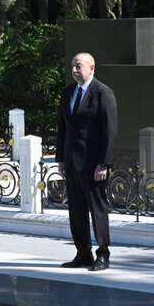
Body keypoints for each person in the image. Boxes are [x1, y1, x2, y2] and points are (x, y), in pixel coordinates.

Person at [55, 52, 117, 271]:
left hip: (93, 166)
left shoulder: (103, 93)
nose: (74, 70)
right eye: (72, 66)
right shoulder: (68, 93)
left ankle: (103, 254)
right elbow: (63, 129)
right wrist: (61, 159)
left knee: (97, 210)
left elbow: (110, 131)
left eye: (78, 66)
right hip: (72, 164)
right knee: (76, 212)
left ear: (92, 68)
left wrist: (104, 164)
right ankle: (83, 254)